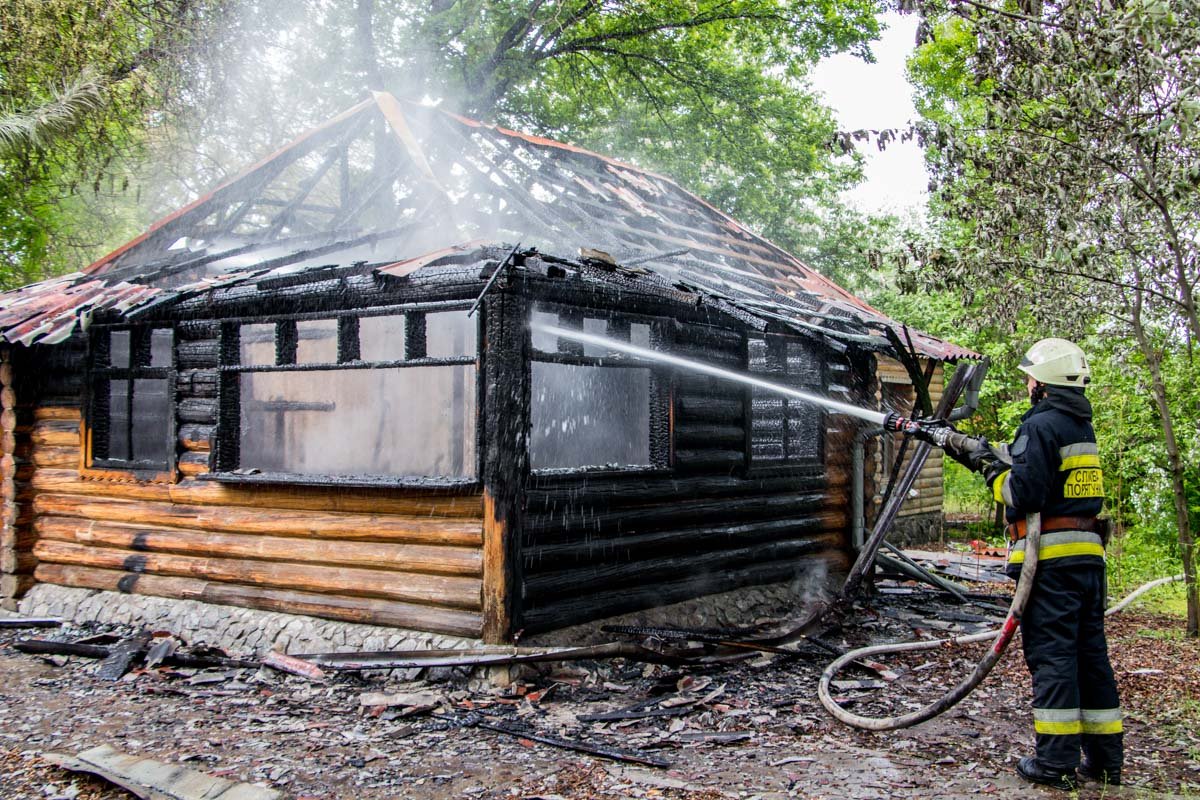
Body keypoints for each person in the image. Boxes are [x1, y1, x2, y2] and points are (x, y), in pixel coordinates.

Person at [927, 338, 1122, 790]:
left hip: (1049, 563)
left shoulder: (1040, 425)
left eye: (1031, 376)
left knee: (1053, 657)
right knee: (1090, 659)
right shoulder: (1078, 425)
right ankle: (1107, 761)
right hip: (1087, 562)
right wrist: (982, 453)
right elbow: (1046, 475)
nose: (1028, 383)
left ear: (1045, 382)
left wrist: (994, 475)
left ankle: (1055, 763)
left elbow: (1025, 493)